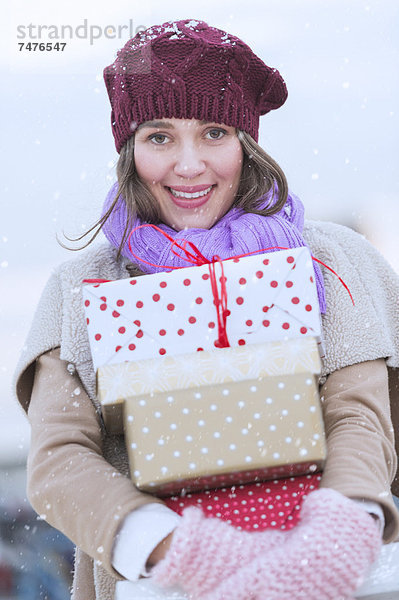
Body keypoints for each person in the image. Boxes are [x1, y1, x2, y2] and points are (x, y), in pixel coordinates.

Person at [13, 18, 399, 600]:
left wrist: (338, 535)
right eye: (159, 137)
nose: (188, 165)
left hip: (339, 577)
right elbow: (60, 462)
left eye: (214, 132)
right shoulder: (84, 286)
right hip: (150, 585)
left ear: (247, 143)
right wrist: (182, 550)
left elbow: (359, 415)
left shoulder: (327, 259)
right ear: (130, 150)